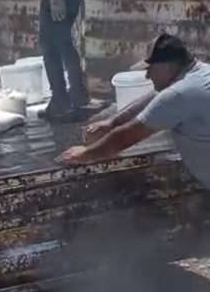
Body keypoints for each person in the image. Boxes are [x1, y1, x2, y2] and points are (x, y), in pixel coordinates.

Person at [59, 33, 210, 190]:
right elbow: (154, 97)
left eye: (150, 68)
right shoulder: (201, 73)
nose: (147, 74)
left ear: (168, 66)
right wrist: (112, 122)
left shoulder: (179, 94)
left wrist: (87, 154)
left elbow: (128, 135)